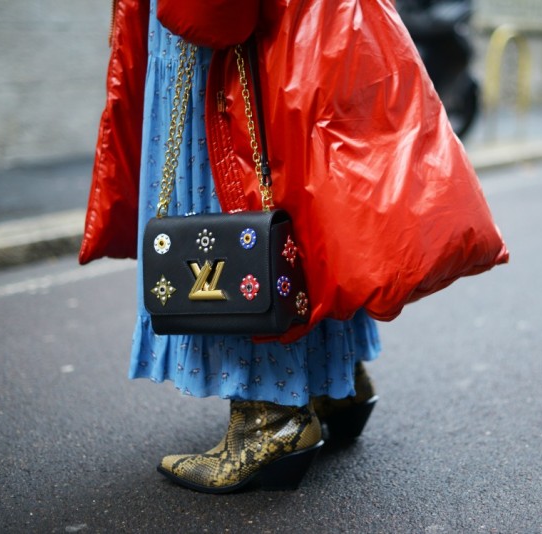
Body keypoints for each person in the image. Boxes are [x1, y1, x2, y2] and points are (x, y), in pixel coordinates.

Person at [80, 0, 507, 494]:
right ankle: (333, 381)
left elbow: (212, 17)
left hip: (233, 36)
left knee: (239, 197)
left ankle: (271, 415)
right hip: (317, 19)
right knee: (300, 195)